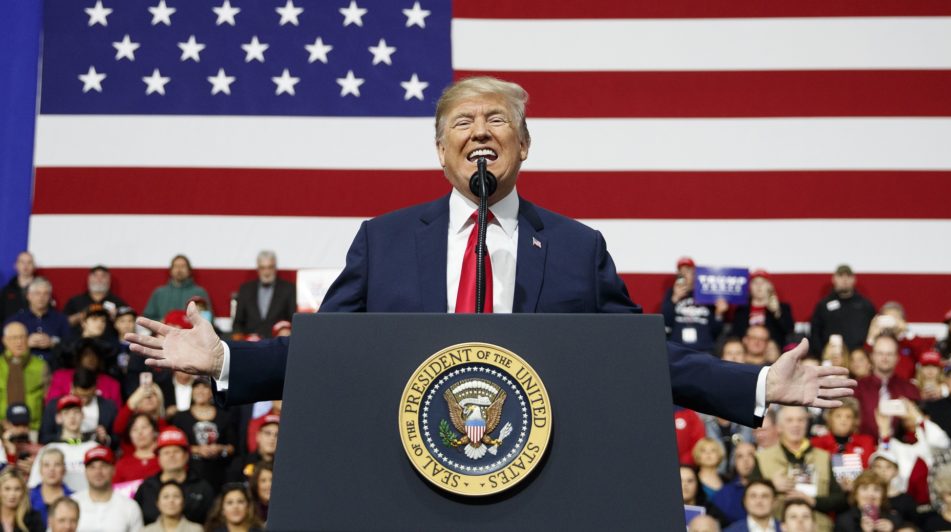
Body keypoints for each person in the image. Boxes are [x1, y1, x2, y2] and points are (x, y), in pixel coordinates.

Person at [126, 77, 855, 428]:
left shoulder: (575, 246)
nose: (480, 131)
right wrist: (227, 361)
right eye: (462, 123)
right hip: (405, 466)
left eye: (496, 120)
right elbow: (329, 350)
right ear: (441, 151)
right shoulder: (383, 241)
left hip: (539, 469)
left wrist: (756, 386)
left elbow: (641, 356)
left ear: (523, 143)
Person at [750, 406, 846, 532]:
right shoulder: (762, 458)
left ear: (807, 424)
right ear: (779, 427)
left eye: (800, 420)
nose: (796, 425)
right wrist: (771, 486)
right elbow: (748, 498)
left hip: (819, 527)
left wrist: (813, 501)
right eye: (789, 420)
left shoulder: (823, 457)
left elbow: (840, 499)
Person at [134, 428, 215, 525]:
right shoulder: (146, 487)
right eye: (166, 452)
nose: (171, 456)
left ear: (186, 455)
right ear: (159, 458)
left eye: (176, 451)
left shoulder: (202, 487)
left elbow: (212, 522)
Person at [852, 334, 921, 440]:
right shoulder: (857, 388)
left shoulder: (910, 389)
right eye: (880, 353)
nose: (885, 358)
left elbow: (918, 425)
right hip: (866, 448)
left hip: (902, 449)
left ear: (897, 358)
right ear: (872, 356)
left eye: (889, 354)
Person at [170, 379, 235, 491]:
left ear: (212, 392)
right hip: (190, 471)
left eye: (205, 387)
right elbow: (175, 446)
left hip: (219, 472)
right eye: (196, 387)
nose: (200, 391)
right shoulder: (180, 418)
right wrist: (197, 450)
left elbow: (233, 447)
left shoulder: (225, 417)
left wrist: (219, 448)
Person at [28, 395, 100, 492]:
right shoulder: (48, 449)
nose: (72, 417)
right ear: (58, 418)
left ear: (83, 416)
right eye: (66, 413)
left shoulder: (95, 448)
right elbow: (34, 485)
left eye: (76, 412)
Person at [71, 446, 145, 532]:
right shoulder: (72, 503)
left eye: (104, 466)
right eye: (92, 467)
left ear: (113, 470)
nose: (98, 472)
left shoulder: (130, 507)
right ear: (85, 472)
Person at [662, 257, 728, 353]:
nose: (684, 274)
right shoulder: (671, 293)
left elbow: (716, 330)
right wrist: (674, 298)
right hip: (678, 348)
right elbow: (666, 324)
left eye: (688, 271)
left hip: (704, 348)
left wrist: (719, 314)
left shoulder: (706, 293)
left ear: (695, 274)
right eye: (681, 271)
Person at [809, 264, 876, 356]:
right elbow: (815, 333)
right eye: (841, 276)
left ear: (854, 279)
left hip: (859, 357)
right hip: (833, 357)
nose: (844, 280)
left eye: (848, 276)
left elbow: (875, 329)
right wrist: (822, 355)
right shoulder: (823, 305)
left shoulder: (865, 305)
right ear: (834, 279)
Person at [3, 277, 70, 370]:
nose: (41, 297)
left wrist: (53, 343)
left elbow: (70, 346)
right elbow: (5, 347)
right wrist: (24, 343)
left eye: (45, 294)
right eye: (37, 293)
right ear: (28, 296)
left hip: (54, 370)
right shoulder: (15, 320)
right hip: (23, 370)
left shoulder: (61, 319)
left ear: (50, 297)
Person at [39, 370, 116, 447]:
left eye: (88, 396)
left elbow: (117, 438)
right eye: (80, 395)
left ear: (95, 388)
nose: (84, 400)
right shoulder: (54, 406)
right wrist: (72, 440)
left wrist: (105, 439)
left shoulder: (108, 407)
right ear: (72, 387)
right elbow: (45, 437)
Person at [231, 251, 296, 340]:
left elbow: (294, 319)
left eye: (270, 267)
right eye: (263, 268)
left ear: (275, 267)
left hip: (277, 344)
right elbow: (237, 322)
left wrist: (287, 330)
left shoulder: (288, 289)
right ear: (258, 268)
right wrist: (239, 338)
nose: (266, 272)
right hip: (250, 344)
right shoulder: (245, 289)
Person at [46, 337, 122, 407]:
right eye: (86, 354)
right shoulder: (60, 377)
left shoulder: (112, 385)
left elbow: (116, 416)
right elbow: (51, 407)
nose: (91, 358)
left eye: (95, 355)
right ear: (78, 357)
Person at [0, 322, 49, 431]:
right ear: (4, 340)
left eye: (22, 337)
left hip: (33, 429)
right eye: (14, 338)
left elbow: (47, 400)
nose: (19, 342)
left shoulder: (41, 366)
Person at [731, 270, 793, 351]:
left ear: (769, 286)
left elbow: (789, 330)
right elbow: (736, 334)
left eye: (763, 283)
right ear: (750, 287)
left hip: (772, 350)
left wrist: (776, 312)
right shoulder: (742, 310)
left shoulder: (782, 308)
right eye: (755, 283)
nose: (759, 286)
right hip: (747, 350)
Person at [810, 397, 875, 470]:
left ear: (855, 421)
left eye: (848, 417)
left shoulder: (866, 442)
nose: (843, 420)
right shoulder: (816, 443)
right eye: (838, 416)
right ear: (829, 419)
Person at [143, 256, 210, 322]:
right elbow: (147, 318)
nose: (179, 270)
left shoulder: (200, 292)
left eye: (183, 266)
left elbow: (209, 319)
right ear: (171, 271)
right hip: (164, 332)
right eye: (176, 266)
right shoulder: (159, 293)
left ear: (189, 271)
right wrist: (161, 322)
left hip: (191, 332)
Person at [834, 470, 903, 532]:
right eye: (865, 488)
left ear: (883, 495)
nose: (870, 494)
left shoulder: (894, 519)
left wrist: (893, 530)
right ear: (855, 494)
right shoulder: (844, 521)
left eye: (876, 489)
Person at [62, 266, 126, 331]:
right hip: (79, 339)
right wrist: (80, 316)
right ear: (89, 278)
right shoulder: (75, 301)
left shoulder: (117, 302)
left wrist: (117, 318)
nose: (99, 279)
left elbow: (129, 326)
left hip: (109, 339)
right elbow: (62, 324)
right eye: (95, 276)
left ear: (109, 280)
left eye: (103, 276)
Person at [714, 443, 760, 525]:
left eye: (751, 455)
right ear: (734, 462)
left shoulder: (770, 489)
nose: (746, 460)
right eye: (740, 456)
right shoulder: (723, 494)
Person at [226, 416, 277, 485]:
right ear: (258, 436)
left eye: (277, 435)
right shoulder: (240, 463)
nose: (272, 438)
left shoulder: (285, 467)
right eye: (267, 433)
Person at [28, 448, 72, 524]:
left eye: (57, 464)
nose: (51, 469)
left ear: (64, 470)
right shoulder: (27, 496)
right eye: (46, 465)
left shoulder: (74, 497)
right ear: (40, 470)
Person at [114, 414, 162, 483]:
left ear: (154, 430)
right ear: (129, 435)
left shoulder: (165, 459)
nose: (140, 432)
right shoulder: (122, 465)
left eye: (144, 427)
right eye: (134, 429)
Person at [1, 253, 35, 323]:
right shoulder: (6, 291)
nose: (26, 266)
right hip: (10, 331)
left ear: (34, 266)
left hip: (34, 331)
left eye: (29, 262)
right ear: (16, 265)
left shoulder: (42, 290)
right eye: (22, 262)